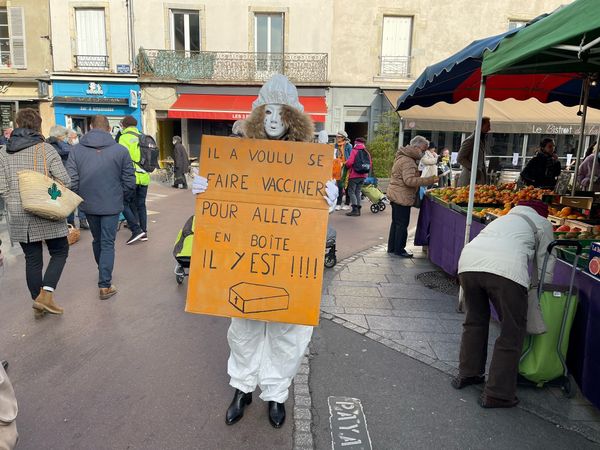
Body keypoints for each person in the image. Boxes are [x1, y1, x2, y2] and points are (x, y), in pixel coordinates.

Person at [192, 74, 337, 429]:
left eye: (281, 112)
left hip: (289, 260)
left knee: (289, 332)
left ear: (293, 118)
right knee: (244, 327)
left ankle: (275, 393)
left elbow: (308, 210)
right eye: (267, 112)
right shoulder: (238, 154)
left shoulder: (309, 159)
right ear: (258, 115)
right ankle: (242, 388)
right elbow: (227, 198)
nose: (273, 119)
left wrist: (326, 201)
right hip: (247, 260)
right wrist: (205, 189)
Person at [452, 199, 555, 408]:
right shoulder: (543, 224)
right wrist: (541, 290)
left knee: (475, 321)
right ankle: (497, 393)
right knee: (512, 331)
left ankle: (468, 373)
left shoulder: (504, 218)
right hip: (507, 273)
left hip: (468, 265)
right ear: (542, 213)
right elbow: (546, 264)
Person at [0, 108, 70, 316]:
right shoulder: (45, 149)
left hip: (20, 214)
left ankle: (37, 302)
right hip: (46, 208)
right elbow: (65, 180)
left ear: (17, 125)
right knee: (59, 251)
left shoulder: (3, 153)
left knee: (32, 259)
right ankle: (46, 295)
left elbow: (2, 187)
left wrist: (16, 198)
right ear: (38, 125)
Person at [66, 115, 136, 300]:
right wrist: (121, 197)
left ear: (90, 127)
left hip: (88, 204)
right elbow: (130, 181)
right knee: (107, 243)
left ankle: (103, 273)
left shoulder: (76, 150)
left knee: (98, 241)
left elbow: (72, 180)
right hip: (112, 203)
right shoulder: (120, 150)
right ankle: (104, 284)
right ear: (108, 128)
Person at [387, 136, 438, 258]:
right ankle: (399, 249)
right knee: (402, 224)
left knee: (396, 223)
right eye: (423, 150)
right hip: (402, 196)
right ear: (415, 147)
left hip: (397, 193)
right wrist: (428, 180)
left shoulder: (403, 157)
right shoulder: (408, 161)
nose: (424, 153)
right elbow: (409, 181)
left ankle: (392, 248)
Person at [118, 115, 149, 245]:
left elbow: (120, 159)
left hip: (131, 177)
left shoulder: (123, 138)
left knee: (124, 203)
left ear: (124, 125)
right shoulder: (143, 136)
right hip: (145, 177)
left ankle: (136, 230)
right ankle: (144, 232)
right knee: (141, 205)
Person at [457, 117, 491, 187]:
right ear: (480, 126)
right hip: (469, 179)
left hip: (477, 180)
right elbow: (460, 158)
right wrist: (474, 168)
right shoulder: (471, 140)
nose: (489, 129)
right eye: (487, 126)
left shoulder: (481, 140)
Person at [344, 138, 371, 217]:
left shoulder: (354, 150)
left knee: (351, 192)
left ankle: (354, 209)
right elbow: (370, 164)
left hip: (354, 175)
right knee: (358, 192)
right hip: (363, 175)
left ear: (356, 143)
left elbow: (349, 163)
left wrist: (346, 165)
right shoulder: (366, 152)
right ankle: (358, 210)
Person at [335, 131, 352, 210]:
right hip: (337, 167)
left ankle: (347, 203)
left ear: (343, 138)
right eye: (337, 137)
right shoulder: (335, 145)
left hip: (346, 167)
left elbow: (351, 158)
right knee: (339, 186)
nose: (337, 138)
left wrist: (344, 163)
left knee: (346, 186)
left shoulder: (348, 146)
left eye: (339, 137)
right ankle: (338, 203)